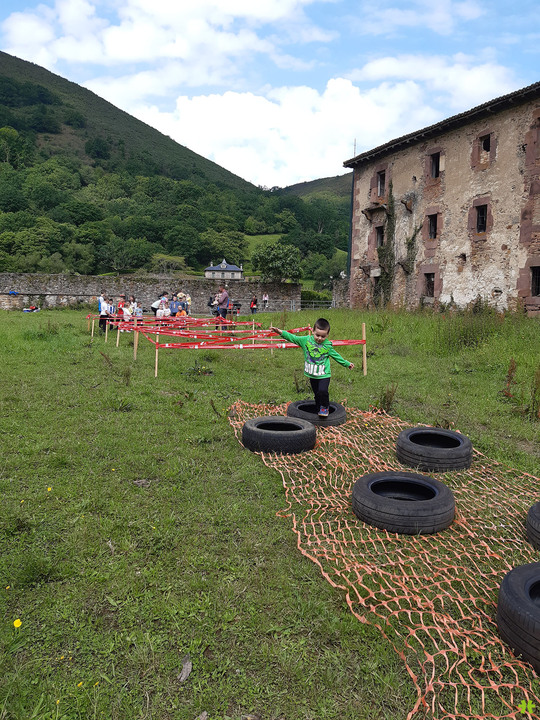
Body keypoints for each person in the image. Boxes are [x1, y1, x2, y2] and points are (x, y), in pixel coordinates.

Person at [269, 318, 354, 417]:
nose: (319, 338)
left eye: (323, 336)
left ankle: (325, 407)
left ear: (327, 335)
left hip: (324, 375)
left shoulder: (327, 346)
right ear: (313, 331)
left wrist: (346, 363)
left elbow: (336, 356)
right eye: (317, 335)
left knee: (322, 391)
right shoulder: (305, 341)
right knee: (317, 394)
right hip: (312, 375)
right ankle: (318, 411)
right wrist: (280, 332)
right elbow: (293, 338)